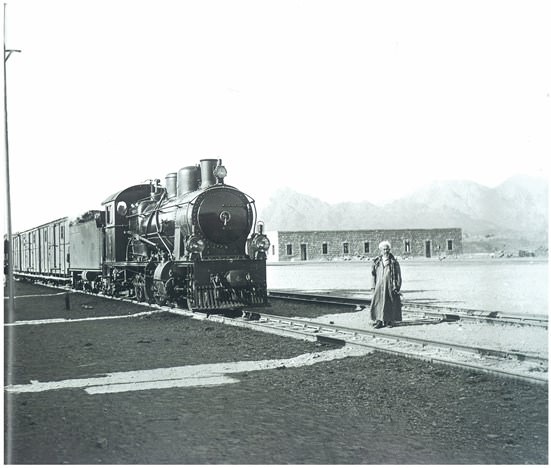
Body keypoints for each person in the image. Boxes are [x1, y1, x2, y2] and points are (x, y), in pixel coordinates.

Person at [369, 240, 402, 328]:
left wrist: (397, 286)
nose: (386, 251)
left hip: (390, 286)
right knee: (378, 302)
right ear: (381, 250)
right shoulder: (377, 262)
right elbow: (373, 275)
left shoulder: (394, 262)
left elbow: (398, 275)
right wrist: (373, 287)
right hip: (379, 286)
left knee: (390, 302)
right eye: (384, 249)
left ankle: (389, 321)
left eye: (387, 249)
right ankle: (379, 321)